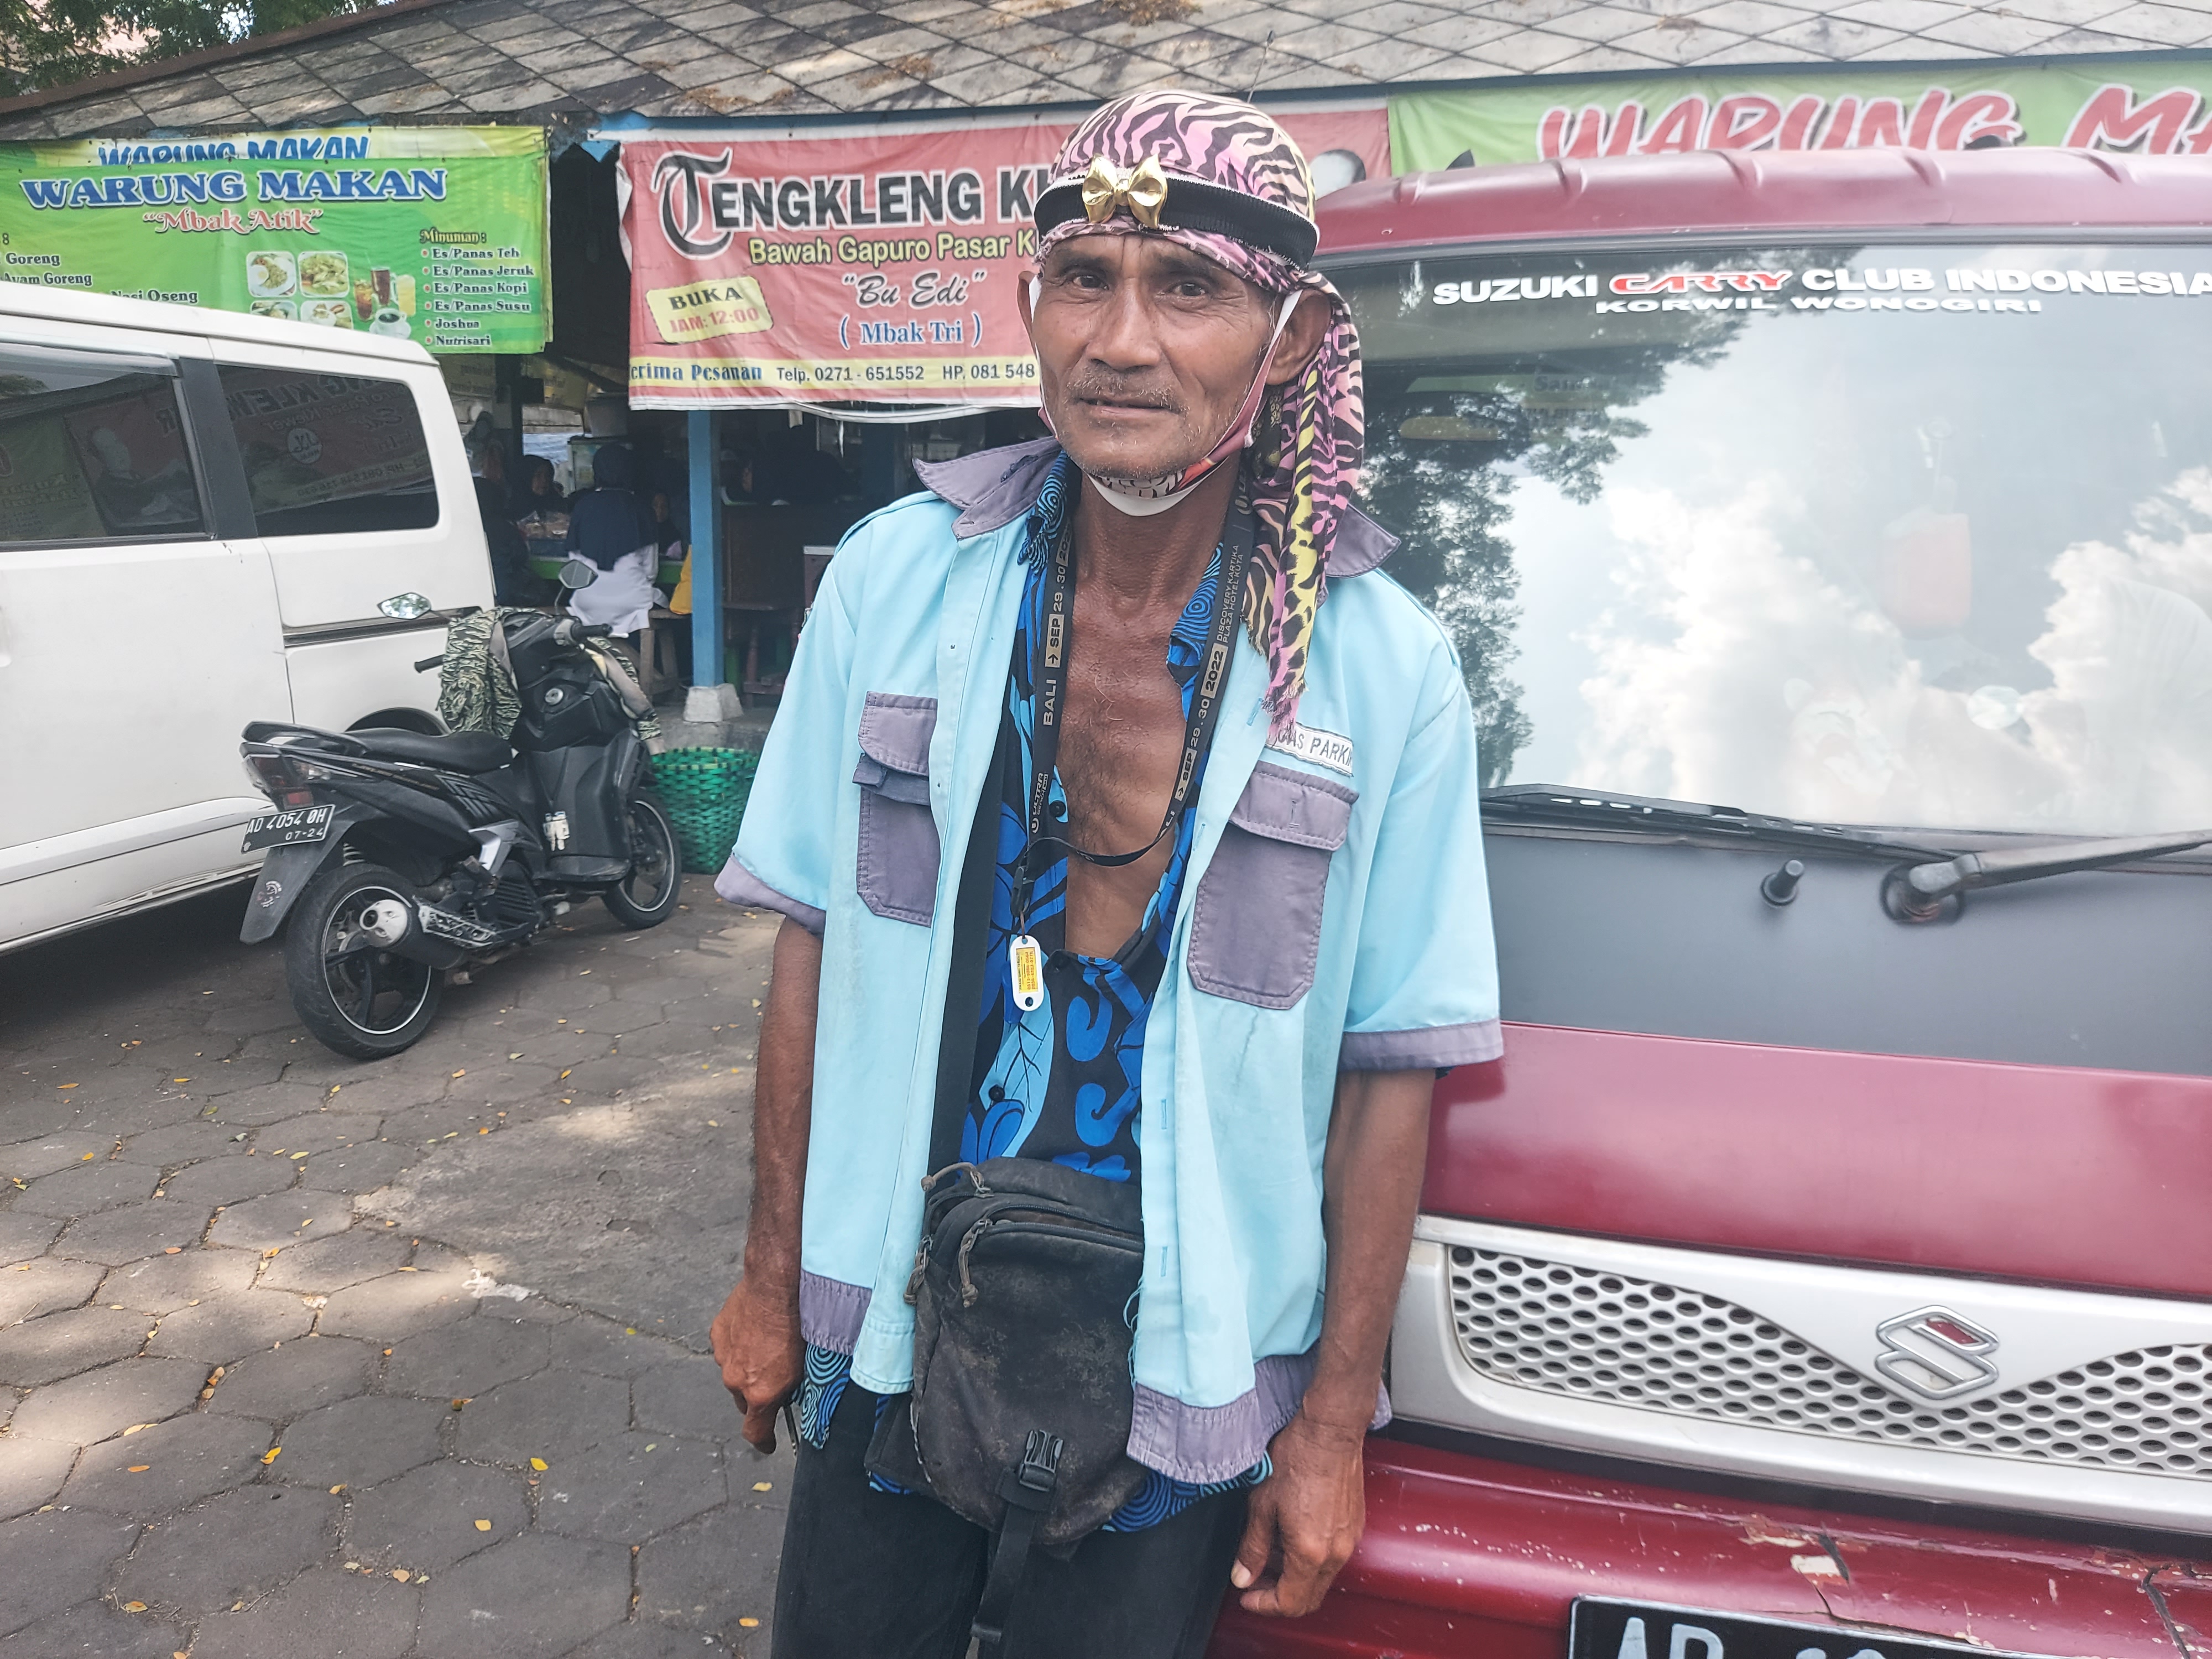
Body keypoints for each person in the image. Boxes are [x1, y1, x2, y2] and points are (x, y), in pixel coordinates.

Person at [710, 90, 1499, 1659]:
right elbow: (808, 943)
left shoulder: (1380, 670)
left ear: (1285, 343)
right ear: (1030, 307)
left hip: (1185, 1351)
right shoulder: (897, 581)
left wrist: (1333, 1427)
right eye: (1086, 279)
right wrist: (763, 1277)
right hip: (898, 1302)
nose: (1122, 341)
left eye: (1187, 287)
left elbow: (1391, 1066)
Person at [565, 441, 658, 571]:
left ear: (596, 470)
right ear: (630, 470)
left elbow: (575, 559)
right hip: (634, 588)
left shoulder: (583, 506)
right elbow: (651, 570)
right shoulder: (642, 507)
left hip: (589, 588)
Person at [470, 441, 539, 606]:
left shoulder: (466, 528)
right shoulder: (504, 530)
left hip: (474, 596)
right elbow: (519, 559)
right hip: (507, 598)